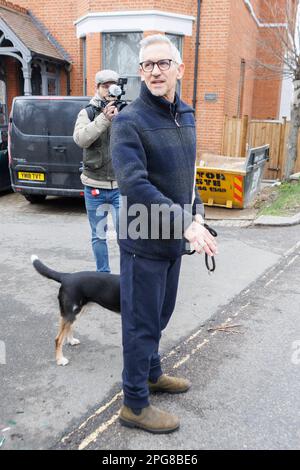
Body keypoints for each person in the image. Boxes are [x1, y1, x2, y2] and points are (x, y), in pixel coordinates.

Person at [111, 35, 218, 433]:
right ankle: (134, 404)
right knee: (140, 323)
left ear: (179, 68)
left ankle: (153, 373)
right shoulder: (128, 121)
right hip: (143, 241)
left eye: (163, 63)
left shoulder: (186, 114)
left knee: (160, 315)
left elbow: (188, 180)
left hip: (173, 239)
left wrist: (199, 217)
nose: (155, 71)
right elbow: (134, 185)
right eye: (147, 65)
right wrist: (185, 223)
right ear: (140, 72)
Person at [73, 70, 120, 272]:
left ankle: (128, 276)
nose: (109, 90)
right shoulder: (88, 112)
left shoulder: (124, 110)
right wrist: (103, 119)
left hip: (120, 185)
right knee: (98, 235)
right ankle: (104, 275)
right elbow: (80, 139)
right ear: (98, 88)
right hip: (94, 185)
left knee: (127, 234)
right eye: (104, 86)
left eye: (113, 85)